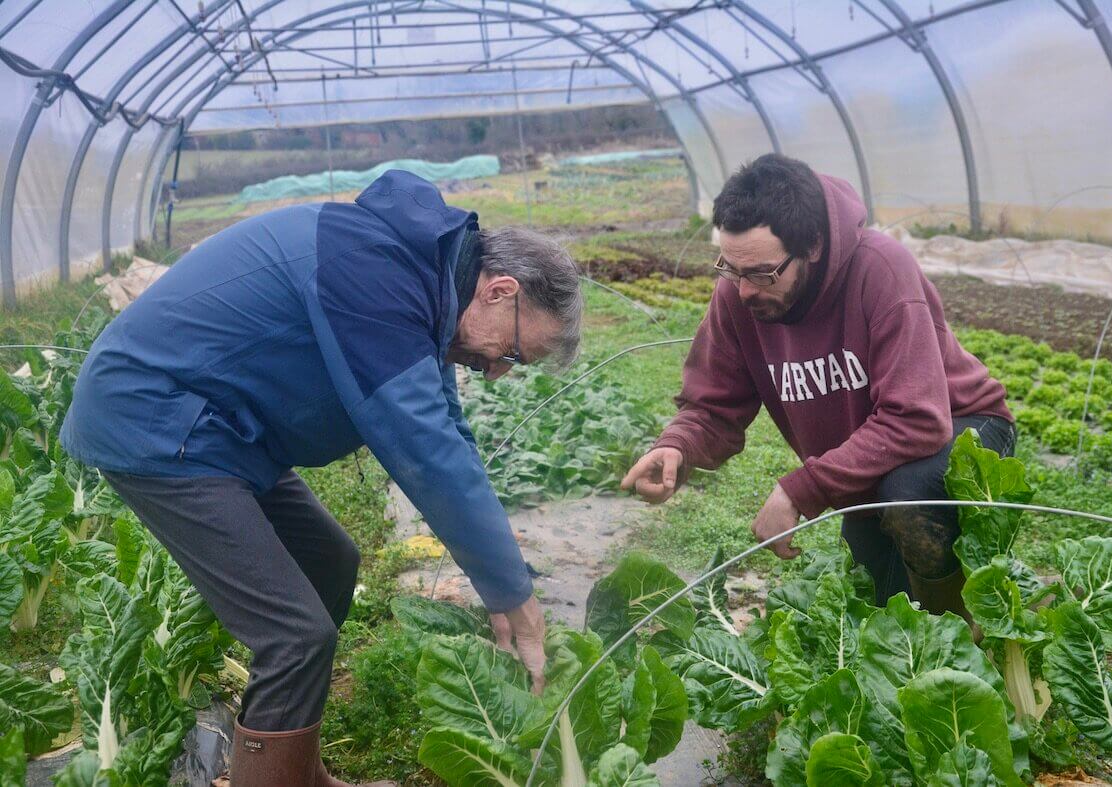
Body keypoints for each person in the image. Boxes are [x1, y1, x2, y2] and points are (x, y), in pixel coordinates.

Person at [61, 170, 581, 787]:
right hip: (157, 420)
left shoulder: (424, 286)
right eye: (514, 354)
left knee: (331, 562)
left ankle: (296, 772)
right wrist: (511, 593)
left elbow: (448, 433)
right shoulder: (376, 274)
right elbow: (423, 446)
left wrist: (505, 573)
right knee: (295, 636)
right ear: (499, 290)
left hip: (222, 433)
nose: (497, 372)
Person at [621, 154, 1013, 620]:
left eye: (762, 274)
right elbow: (712, 408)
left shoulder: (881, 269)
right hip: (876, 468)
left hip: (964, 429)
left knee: (908, 502)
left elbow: (918, 419)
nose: (744, 290)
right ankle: (934, 605)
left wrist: (800, 490)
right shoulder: (740, 293)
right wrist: (677, 447)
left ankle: (965, 628)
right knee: (869, 617)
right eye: (730, 268)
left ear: (813, 246)